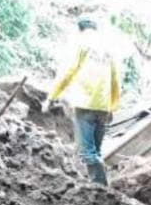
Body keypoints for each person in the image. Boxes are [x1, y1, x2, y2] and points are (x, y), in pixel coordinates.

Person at [42, 18, 120, 186]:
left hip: (85, 104)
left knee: (87, 153)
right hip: (103, 106)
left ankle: (101, 188)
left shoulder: (81, 45)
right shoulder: (107, 50)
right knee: (96, 151)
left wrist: (51, 97)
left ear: (80, 30)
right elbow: (115, 79)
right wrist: (112, 107)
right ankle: (97, 185)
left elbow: (68, 73)